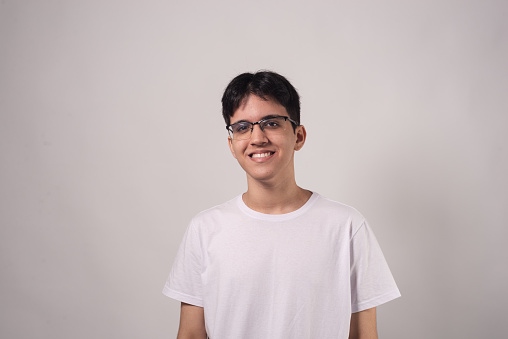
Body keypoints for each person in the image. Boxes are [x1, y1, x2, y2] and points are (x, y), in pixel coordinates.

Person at [163, 71, 401, 339]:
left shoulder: (346, 226)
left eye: (271, 123)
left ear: (298, 136)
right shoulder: (205, 229)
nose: (257, 138)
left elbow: (363, 336)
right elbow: (192, 335)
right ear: (232, 144)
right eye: (242, 127)